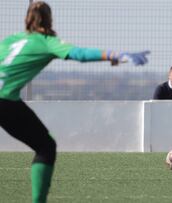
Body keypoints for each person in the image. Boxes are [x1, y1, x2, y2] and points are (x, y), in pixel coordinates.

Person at [0, 2, 150, 202]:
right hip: (4, 100)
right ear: (49, 19)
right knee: (46, 147)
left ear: (27, 18)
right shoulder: (46, 41)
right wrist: (116, 55)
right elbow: (79, 54)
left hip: (8, 100)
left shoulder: (10, 40)